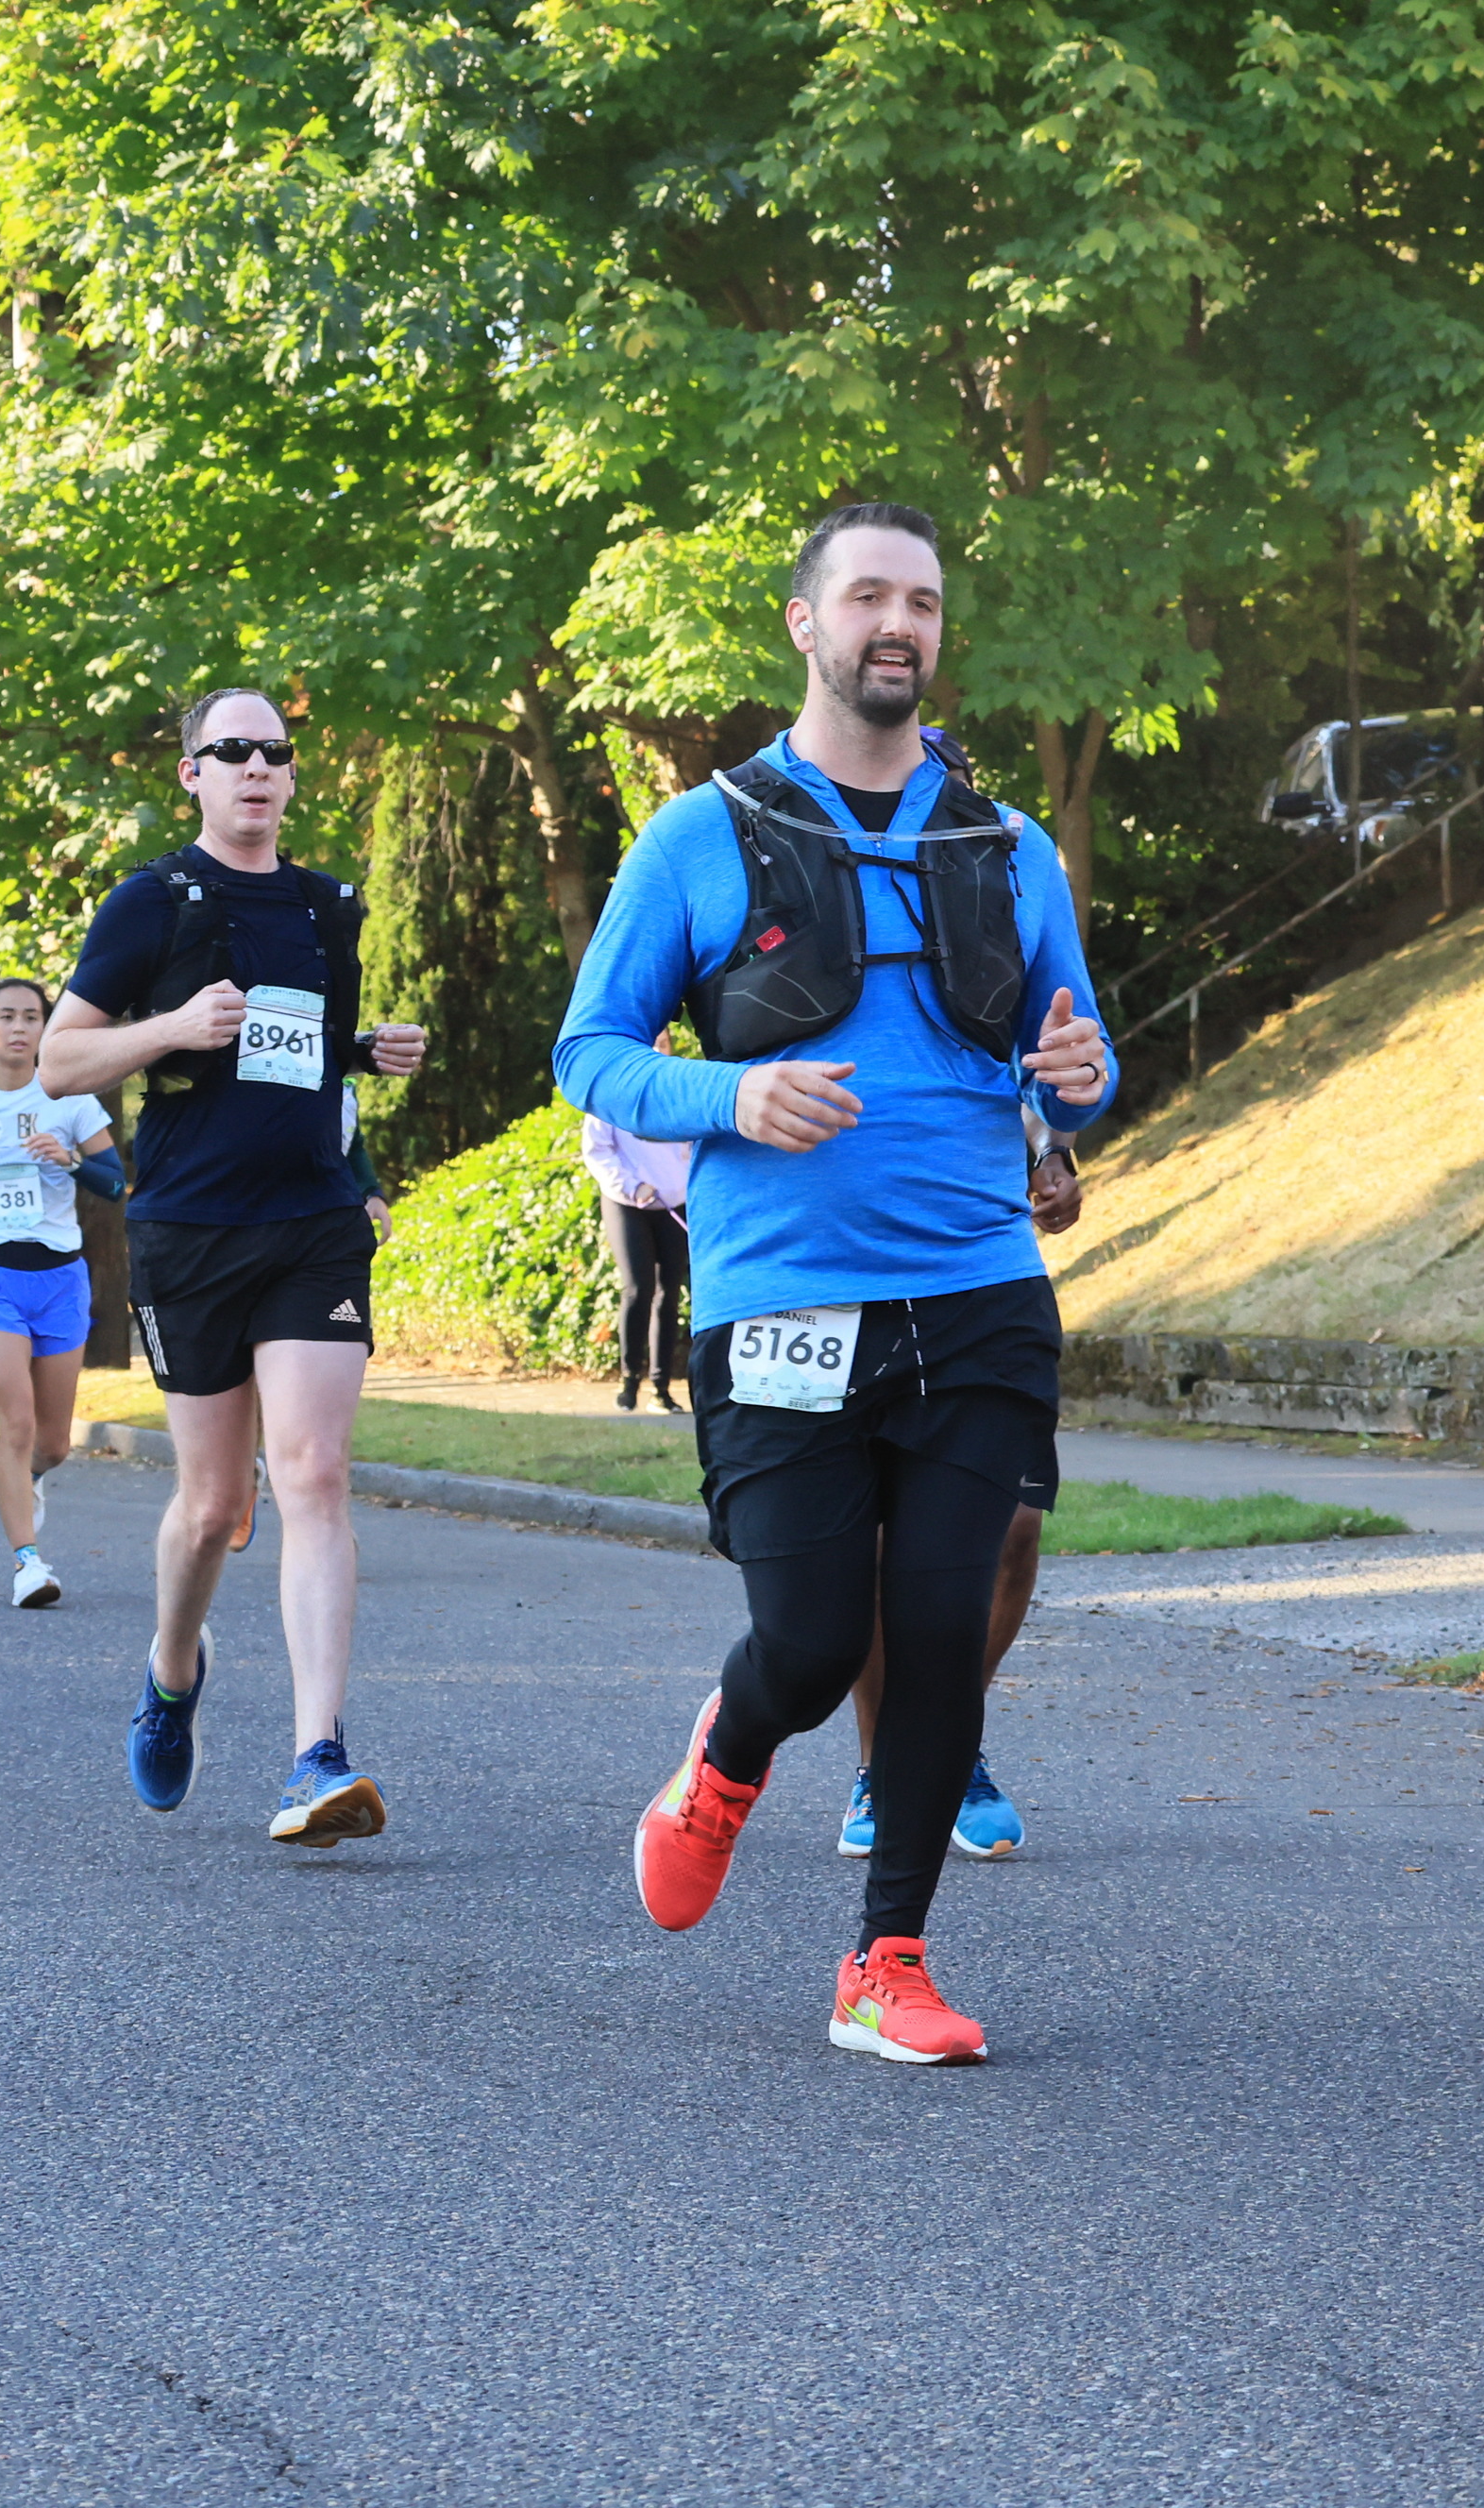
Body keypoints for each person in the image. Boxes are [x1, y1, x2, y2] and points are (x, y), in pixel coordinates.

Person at [565, 501, 1111, 2064]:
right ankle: (724, 1757)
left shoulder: (1006, 849)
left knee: (940, 1627)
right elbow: (591, 1053)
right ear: (804, 624)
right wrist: (731, 1096)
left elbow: (1074, 1061)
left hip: (978, 1289)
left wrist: (1081, 1082)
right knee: (810, 1642)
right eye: (867, 596)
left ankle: (886, 1961)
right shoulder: (697, 836)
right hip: (781, 1296)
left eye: (921, 603)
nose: (898, 624)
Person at [42, 689, 430, 1845]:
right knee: (214, 1504)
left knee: (312, 1473)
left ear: (292, 775)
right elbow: (60, 1061)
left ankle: (318, 1755)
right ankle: (172, 1672)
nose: (257, 767)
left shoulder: (326, 907)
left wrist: (364, 1056)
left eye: (275, 751)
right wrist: (167, 1029)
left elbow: (301, 1057)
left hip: (313, 1221)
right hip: (192, 1227)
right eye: (233, 751)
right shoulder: (151, 901)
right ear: (193, 773)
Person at [839, 1114, 1085, 1861]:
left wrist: (1051, 1151)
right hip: (852, 1273)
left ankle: (945, 1745)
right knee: (875, 1538)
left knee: (1014, 1528)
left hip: (986, 1286)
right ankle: (882, 1771)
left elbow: (1038, 1075)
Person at [0, 978, 114, 1606]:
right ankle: (28, 1563)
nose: (18, 1027)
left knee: (53, 1444)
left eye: (32, 1017)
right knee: (17, 1421)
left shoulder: (73, 1101)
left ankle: (29, 1476)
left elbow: (116, 1183)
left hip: (60, 1278)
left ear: (46, 1030)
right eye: (6, 1016)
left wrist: (69, 1160)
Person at [581, 1107, 689, 1412]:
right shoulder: (610, 1095)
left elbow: (692, 1145)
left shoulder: (677, 1089)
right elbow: (597, 1149)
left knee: (669, 1293)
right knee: (638, 1287)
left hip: (674, 1202)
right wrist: (631, 1185)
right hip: (627, 1202)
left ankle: (661, 1389)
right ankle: (629, 1381)